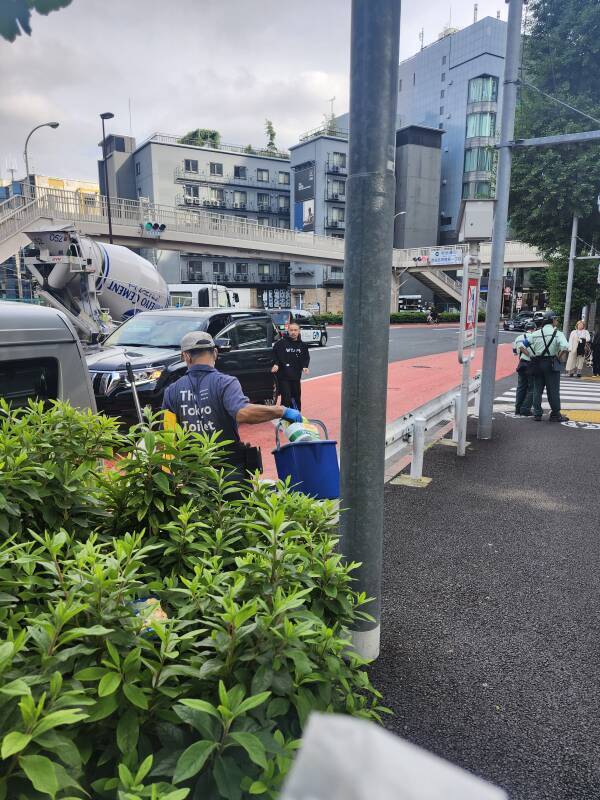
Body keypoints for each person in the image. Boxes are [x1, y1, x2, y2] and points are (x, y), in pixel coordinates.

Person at [162, 331, 302, 475]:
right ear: (215, 353)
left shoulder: (172, 391)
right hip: (228, 472)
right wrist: (282, 411)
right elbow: (242, 413)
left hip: (192, 476)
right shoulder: (225, 383)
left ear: (186, 356)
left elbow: (167, 438)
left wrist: (169, 478)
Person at [528, 311, 570, 422]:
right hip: (551, 363)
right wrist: (558, 356)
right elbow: (565, 347)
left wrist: (532, 355)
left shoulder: (535, 333)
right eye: (556, 319)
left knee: (537, 389)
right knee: (553, 390)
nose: (557, 321)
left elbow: (524, 344)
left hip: (537, 363)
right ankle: (555, 414)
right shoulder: (558, 333)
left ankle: (537, 414)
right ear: (552, 320)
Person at [271, 321, 310, 411]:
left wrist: (305, 366)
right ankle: (284, 416)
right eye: (291, 330)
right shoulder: (281, 343)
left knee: (296, 397)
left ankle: (296, 416)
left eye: (295, 330)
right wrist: (276, 364)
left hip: (296, 376)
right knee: (286, 398)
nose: (293, 332)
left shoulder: (303, 345)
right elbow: (274, 354)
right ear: (288, 331)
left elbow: (306, 357)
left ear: (299, 331)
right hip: (283, 375)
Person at [512, 319, 536, 416]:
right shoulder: (535, 337)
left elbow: (514, 351)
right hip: (532, 364)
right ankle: (525, 409)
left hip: (521, 364)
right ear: (534, 329)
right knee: (532, 387)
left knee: (521, 387)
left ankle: (518, 409)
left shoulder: (518, 338)